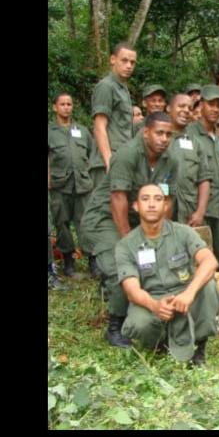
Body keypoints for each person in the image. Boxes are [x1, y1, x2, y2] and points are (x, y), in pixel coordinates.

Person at [80, 112, 179, 348]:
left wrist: (161, 237)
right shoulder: (128, 154)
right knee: (121, 267)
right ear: (146, 132)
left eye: (168, 134)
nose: (164, 139)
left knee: (153, 264)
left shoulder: (170, 161)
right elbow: (118, 199)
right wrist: (129, 244)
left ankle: (147, 314)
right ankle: (115, 326)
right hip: (105, 219)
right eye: (159, 133)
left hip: (137, 220)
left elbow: (167, 201)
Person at [115, 183, 219, 366]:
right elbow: (132, 291)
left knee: (209, 286)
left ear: (166, 206)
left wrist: (189, 293)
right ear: (136, 206)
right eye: (145, 199)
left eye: (158, 199)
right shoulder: (126, 246)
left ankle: (199, 347)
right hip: (152, 299)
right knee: (139, 324)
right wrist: (155, 306)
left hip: (185, 296)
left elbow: (210, 261)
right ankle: (161, 345)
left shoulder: (183, 232)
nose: (152, 204)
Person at [186, 84, 219, 274]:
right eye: (211, 104)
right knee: (200, 258)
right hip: (201, 209)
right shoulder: (189, 134)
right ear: (201, 105)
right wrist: (196, 210)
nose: (215, 109)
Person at [48, 93, 96, 278]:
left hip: (82, 185)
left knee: (86, 223)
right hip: (59, 185)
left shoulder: (82, 131)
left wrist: (88, 172)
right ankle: (68, 261)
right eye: (62, 104)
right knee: (62, 224)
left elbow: (91, 154)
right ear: (55, 107)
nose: (66, 107)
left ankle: (92, 260)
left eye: (69, 104)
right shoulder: (50, 132)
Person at [90, 42, 137, 191]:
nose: (129, 65)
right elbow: (99, 126)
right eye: (124, 60)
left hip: (122, 159)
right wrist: (109, 161)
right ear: (112, 60)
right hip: (107, 163)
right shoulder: (106, 86)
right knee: (104, 211)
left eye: (132, 62)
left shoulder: (123, 89)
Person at [164, 94, 212, 227]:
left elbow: (204, 179)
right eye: (181, 106)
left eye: (190, 108)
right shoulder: (157, 137)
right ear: (168, 108)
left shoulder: (197, 144)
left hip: (187, 213)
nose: (186, 110)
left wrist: (200, 212)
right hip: (160, 209)